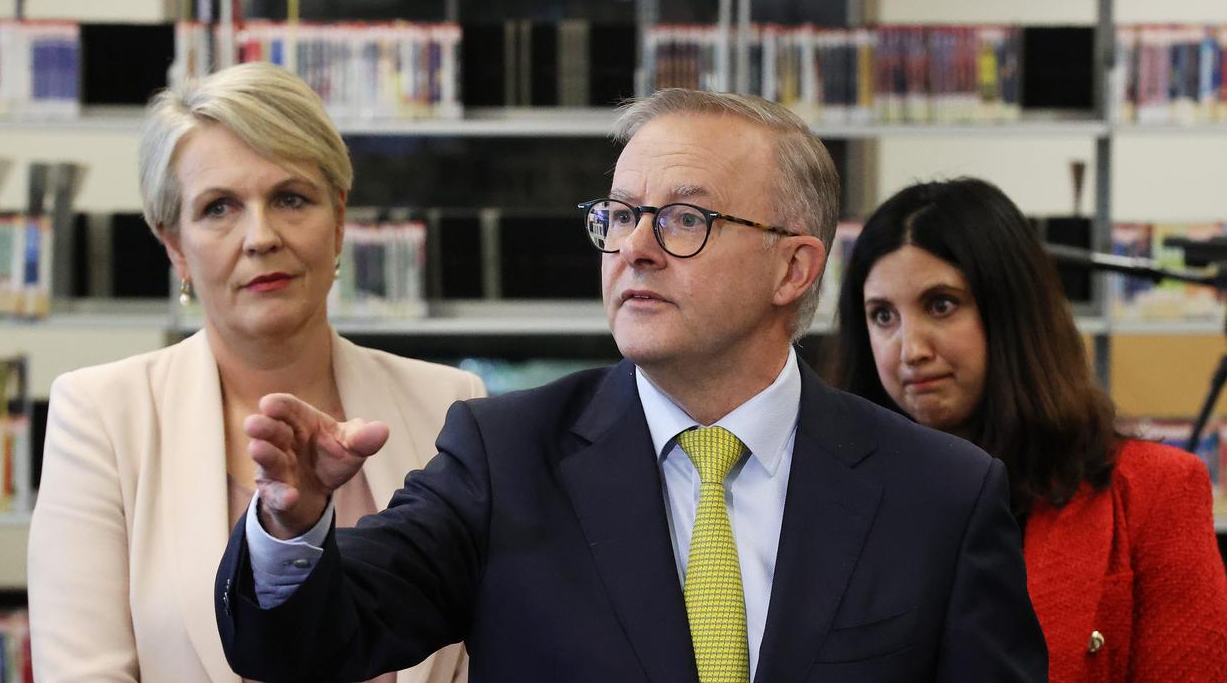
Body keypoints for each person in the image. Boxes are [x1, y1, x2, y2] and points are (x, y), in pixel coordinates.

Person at [215, 90, 1048, 682]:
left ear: (794, 267)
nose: (634, 249)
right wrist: (293, 529)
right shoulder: (505, 459)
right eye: (618, 215)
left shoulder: (938, 493)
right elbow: (313, 643)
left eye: (685, 219)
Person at [27, 62, 484, 683]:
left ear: (340, 219)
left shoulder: (451, 404)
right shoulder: (101, 416)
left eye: (290, 198)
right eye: (219, 208)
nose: (260, 236)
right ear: (174, 246)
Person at [828, 177, 1227, 683]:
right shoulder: (833, 494)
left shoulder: (1153, 490)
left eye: (941, 305)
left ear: (1011, 309)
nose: (910, 349)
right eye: (882, 315)